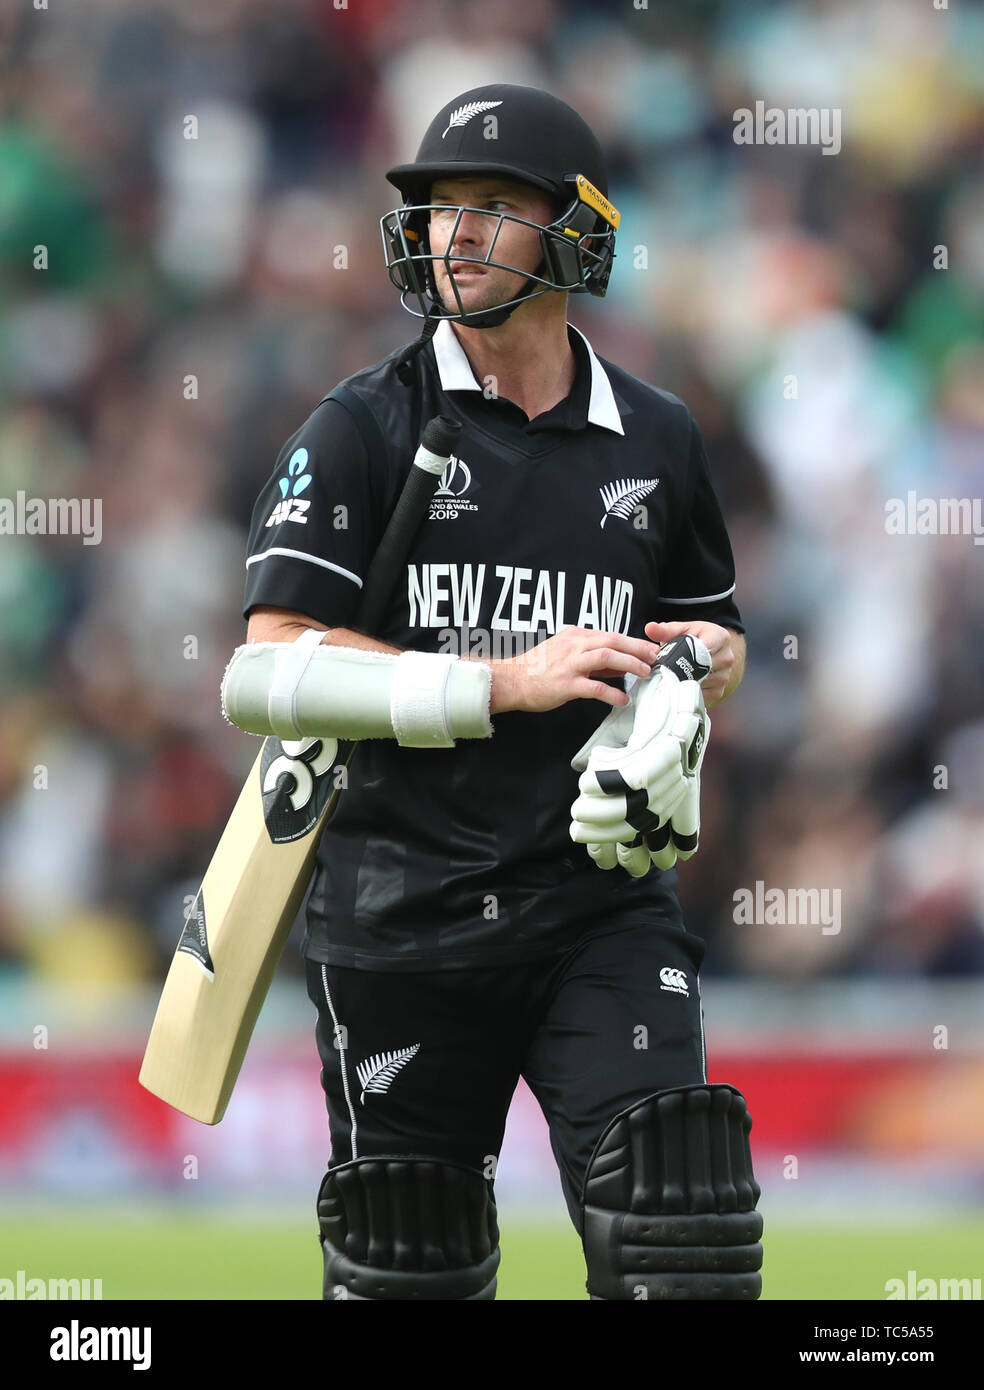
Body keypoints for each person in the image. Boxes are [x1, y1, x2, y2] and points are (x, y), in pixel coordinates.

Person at [237, 84, 763, 1300]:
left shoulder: (660, 439)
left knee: (680, 1236)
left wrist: (696, 680)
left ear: (576, 234)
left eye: (489, 208)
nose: (450, 233)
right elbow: (265, 670)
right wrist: (501, 683)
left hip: (600, 909)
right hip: (402, 916)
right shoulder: (360, 426)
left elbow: (715, 635)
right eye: (433, 208)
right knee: (406, 1272)